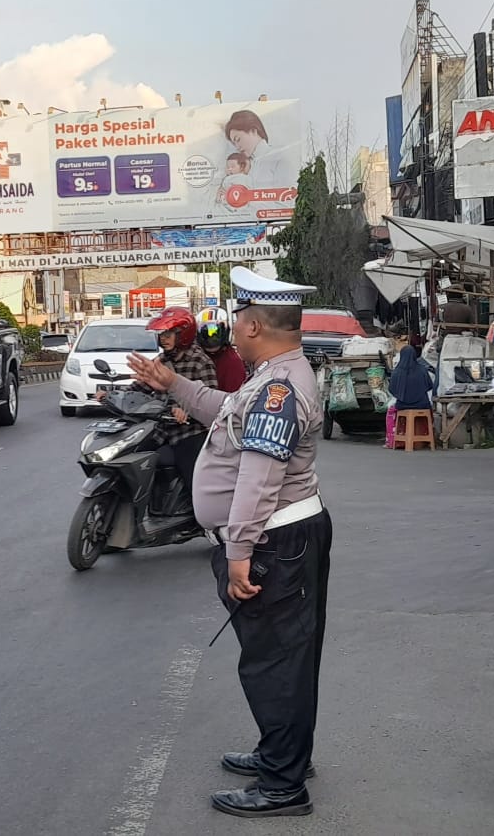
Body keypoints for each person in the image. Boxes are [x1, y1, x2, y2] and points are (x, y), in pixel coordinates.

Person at [125, 266, 331, 819]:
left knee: (275, 663)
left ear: (255, 326)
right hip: (282, 537)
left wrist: (238, 551)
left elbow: (259, 478)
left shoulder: (279, 389)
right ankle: (282, 755)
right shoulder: (272, 377)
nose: (231, 328)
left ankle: (283, 786)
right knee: (284, 657)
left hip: (273, 542)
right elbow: (226, 413)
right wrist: (173, 385)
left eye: (238, 319)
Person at [145, 306, 220, 493]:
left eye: (168, 334)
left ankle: (197, 511)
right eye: (161, 335)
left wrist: (185, 410)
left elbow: (210, 403)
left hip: (189, 434)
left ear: (183, 335)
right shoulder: (160, 361)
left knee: (195, 486)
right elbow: (140, 384)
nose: (163, 339)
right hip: (160, 431)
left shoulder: (200, 362)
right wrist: (110, 394)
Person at [198, 320, 246, 393]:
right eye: (206, 334)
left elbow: (233, 395)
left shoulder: (232, 362)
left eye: (215, 334)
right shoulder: (198, 356)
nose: (211, 340)